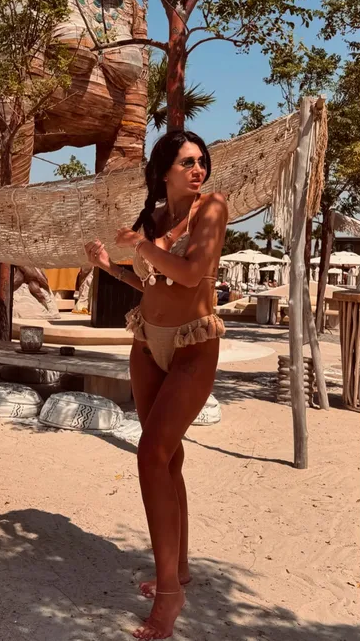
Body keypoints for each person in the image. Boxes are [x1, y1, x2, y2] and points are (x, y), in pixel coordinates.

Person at [85, 130, 228, 640]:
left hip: (193, 344)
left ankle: (169, 593)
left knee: (150, 454)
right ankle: (179, 568)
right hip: (148, 343)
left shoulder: (212, 207)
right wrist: (110, 267)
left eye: (201, 160)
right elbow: (151, 283)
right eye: (187, 162)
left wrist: (141, 245)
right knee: (169, 457)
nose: (198, 169)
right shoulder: (154, 218)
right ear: (163, 170)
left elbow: (191, 275)